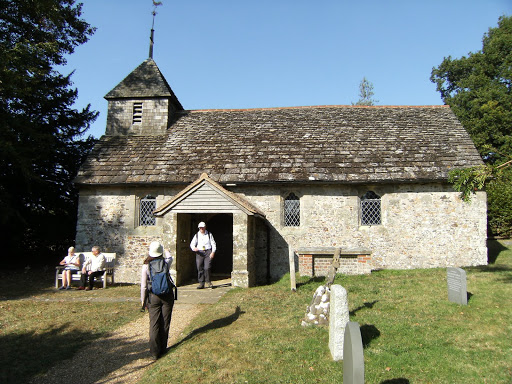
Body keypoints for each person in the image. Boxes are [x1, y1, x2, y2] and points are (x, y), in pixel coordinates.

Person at [140, 241, 175, 359]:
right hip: (167, 295)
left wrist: (143, 301)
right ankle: (163, 349)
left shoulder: (146, 266)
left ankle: (155, 352)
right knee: (165, 322)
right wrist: (166, 250)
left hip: (153, 296)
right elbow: (170, 257)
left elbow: (144, 285)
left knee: (154, 324)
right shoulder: (166, 262)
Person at [190, 221, 216, 289]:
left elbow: (213, 243)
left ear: (205, 227)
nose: (201, 229)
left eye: (202, 227)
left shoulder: (209, 234)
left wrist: (213, 252)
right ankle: (201, 283)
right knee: (199, 267)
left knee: (207, 267)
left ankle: (208, 281)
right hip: (199, 252)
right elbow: (192, 244)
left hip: (208, 252)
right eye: (200, 228)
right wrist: (194, 248)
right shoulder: (197, 235)